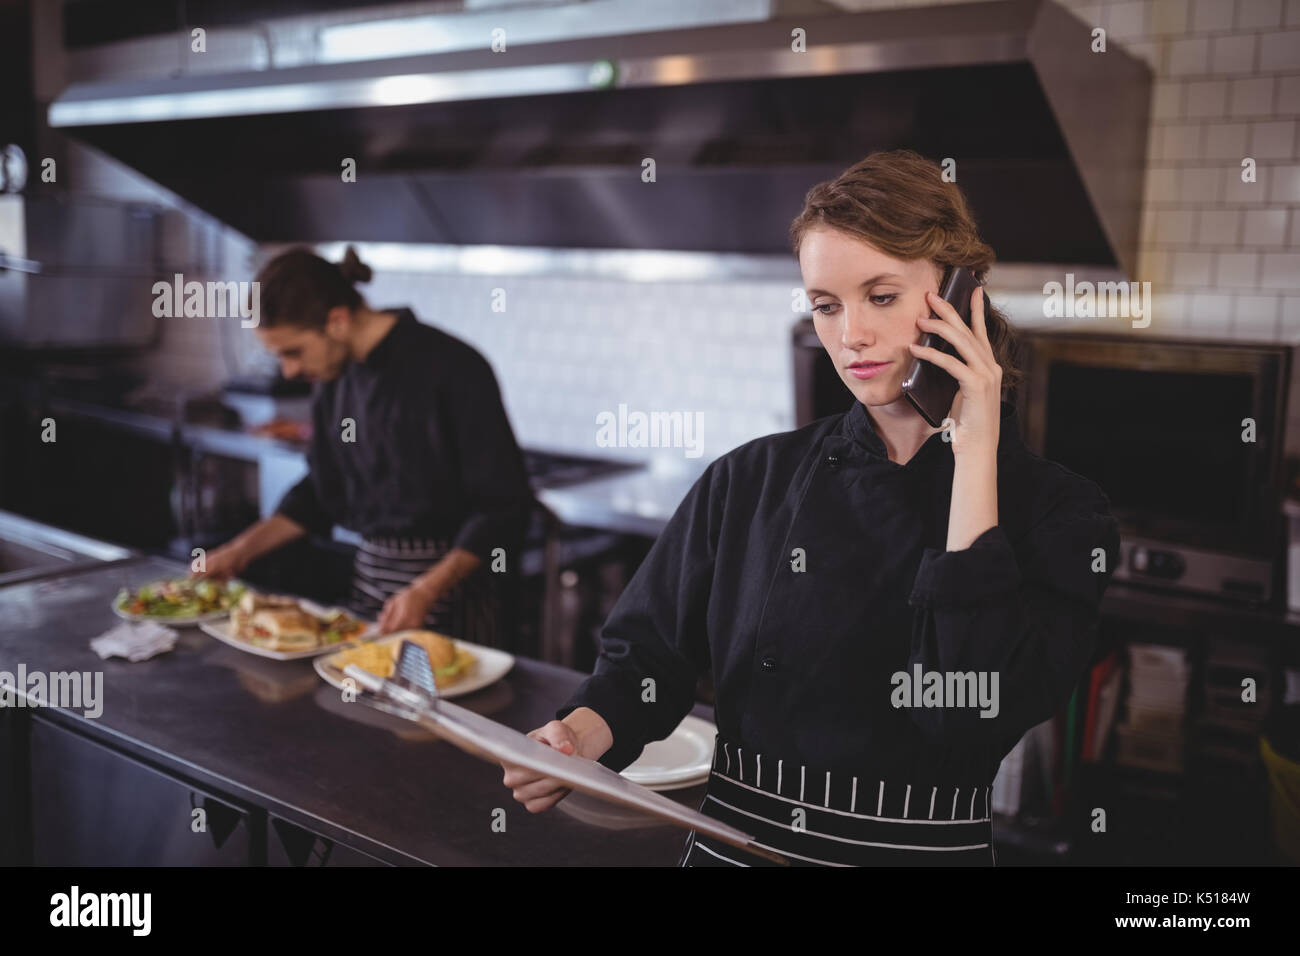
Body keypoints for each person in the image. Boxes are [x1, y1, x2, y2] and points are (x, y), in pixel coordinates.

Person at [500, 149, 1121, 866]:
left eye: (880, 296)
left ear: (961, 294)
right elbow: (647, 660)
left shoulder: (1060, 515)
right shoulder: (750, 479)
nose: (849, 334)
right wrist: (580, 734)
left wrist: (973, 452)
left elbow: (959, 711)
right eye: (826, 305)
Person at [198, 246, 533, 644]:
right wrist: (238, 552)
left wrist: (425, 590)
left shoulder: (454, 368)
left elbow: (502, 507)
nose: (290, 371)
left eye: (294, 352)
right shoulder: (334, 383)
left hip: (454, 598)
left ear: (337, 320)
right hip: (372, 589)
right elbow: (319, 493)